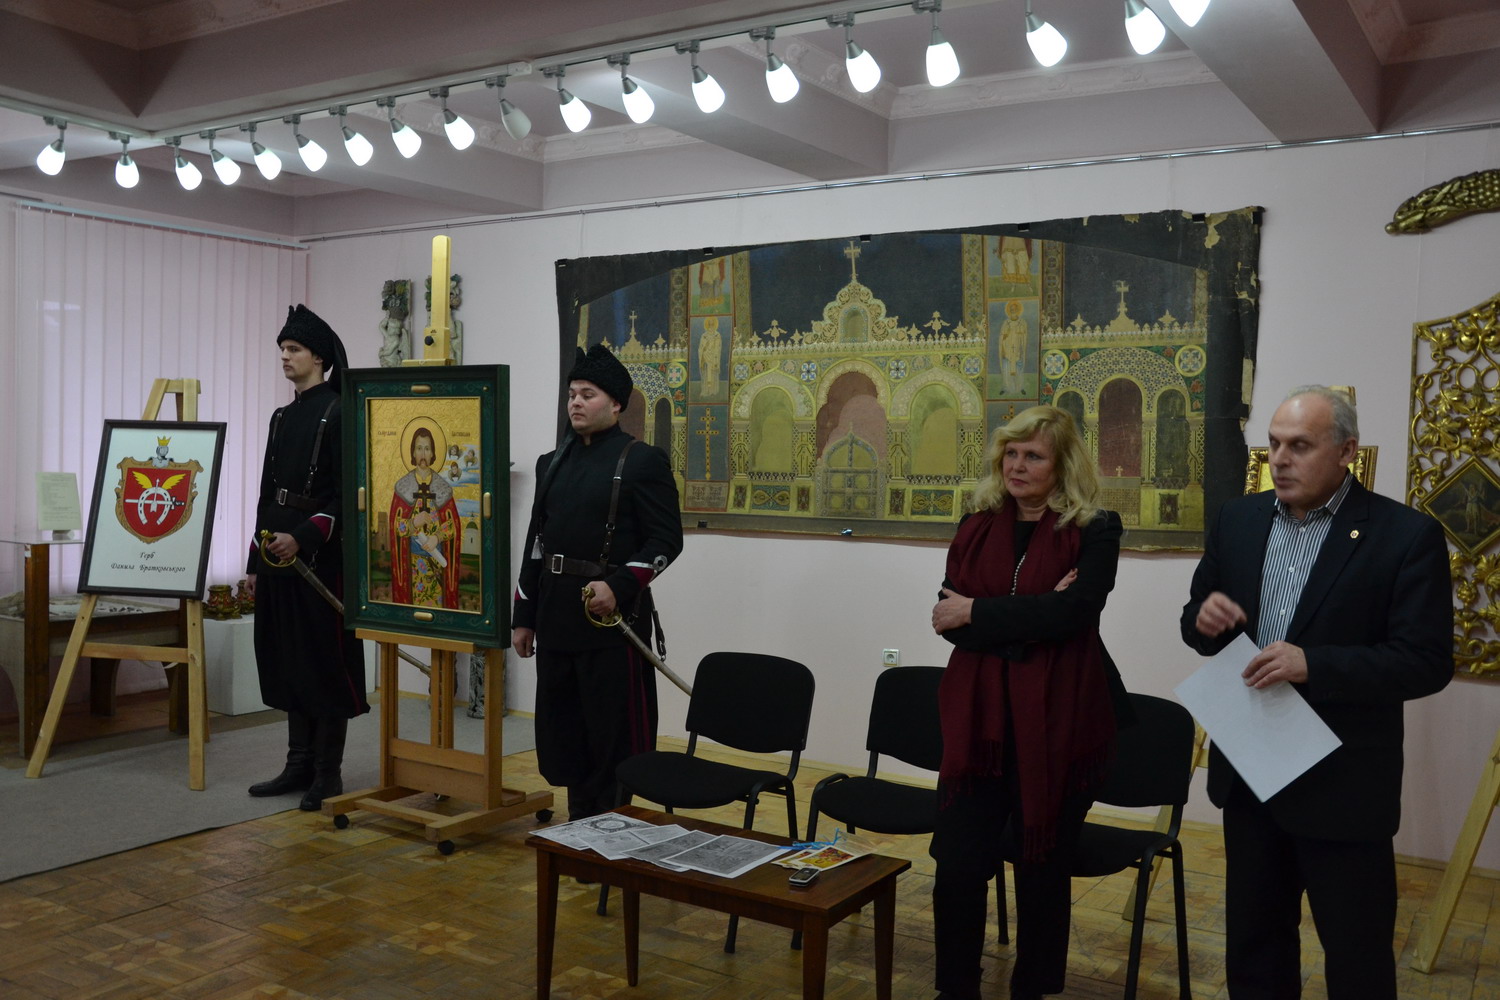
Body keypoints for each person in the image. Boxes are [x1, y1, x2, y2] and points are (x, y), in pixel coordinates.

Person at [1181, 385, 1452, 1000]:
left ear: (1347, 451)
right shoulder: (1237, 520)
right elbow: (1195, 625)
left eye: (1299, 446)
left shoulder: (1404, 535)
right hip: (1252, 776)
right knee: (1255, 950)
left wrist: (1315, 665)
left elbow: (1426, 663)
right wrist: (1204, 620)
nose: (1279, 459)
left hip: (1343, 786)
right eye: (1274, 444)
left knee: (1356, 959)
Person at [929, 405, 1128, 1000]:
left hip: (1060, 720)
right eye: (1010, 454)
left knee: (1042, 863)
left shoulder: (1096, 529)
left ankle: (1032, 989)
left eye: (1033, 456)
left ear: (1062, 465)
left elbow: (1077, 612)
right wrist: (1037, 611)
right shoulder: (976, 524)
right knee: (958, 863)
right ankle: (955, 989)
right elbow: (949, 619)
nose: (1016, 465)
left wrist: (982, 611)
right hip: (980, 725)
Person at [512, 343, 683, 821]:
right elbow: (536, 543)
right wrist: (524, 616)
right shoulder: (551, 463)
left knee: (613, 737)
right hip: (556, 620)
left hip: (610, 624)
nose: (576, 403)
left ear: (616, 404)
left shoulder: (642, 461)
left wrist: (620, 586)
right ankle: (578, 827)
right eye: (572, 394)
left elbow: (666, 539)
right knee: (564, 733)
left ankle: (611, 829)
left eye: (587, 395)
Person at [246, 305, 370, 811]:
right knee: (288, 661)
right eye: (282, 349)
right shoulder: (281, 417)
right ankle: (297, 763)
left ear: (318, 357)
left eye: (293, 349)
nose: (284, 357)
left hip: (320, 561)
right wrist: (255, 562)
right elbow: (265, 492)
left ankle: (326, 772)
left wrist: (302, 538)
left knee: (322, 664)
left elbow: (348, 496)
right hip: (276, 556)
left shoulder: (339, 412)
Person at [389, 425, 461, 608]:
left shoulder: (442, 488)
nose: (423, 453)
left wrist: (437, 537)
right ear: (413, 452)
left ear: (433, 453)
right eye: (419, 448)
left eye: (427, 448)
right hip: (412, 564)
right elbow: (395, 526)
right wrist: (413, 522)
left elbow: (453, 525)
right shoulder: (403, 487)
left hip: (436, 561)